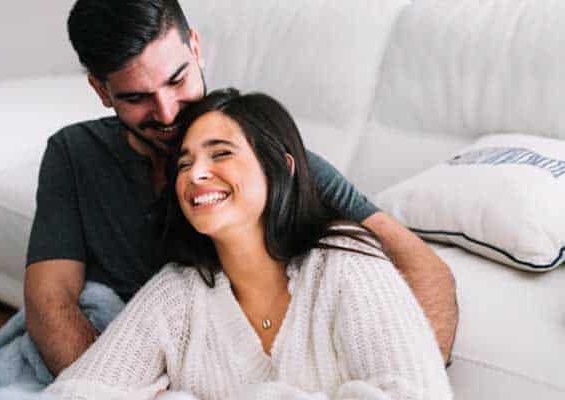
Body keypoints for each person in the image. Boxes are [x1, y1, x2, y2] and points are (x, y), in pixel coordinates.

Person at [25, 0, 458, 377]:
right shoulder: (73, 155)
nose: (167, 111)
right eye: (137, 97)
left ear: (195, 48)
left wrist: (413, 373)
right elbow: (50, 297)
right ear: (101, 90)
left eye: (177, 80)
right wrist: (109, 384)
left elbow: (421, 265)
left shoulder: (262, 157)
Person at [43, 89, 453, 400]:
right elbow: (80, 391)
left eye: (220, 154)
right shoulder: (177, 293)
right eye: (184, 163)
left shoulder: (347, 264)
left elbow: (416, 392)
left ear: (281, 169)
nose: (196, 174)